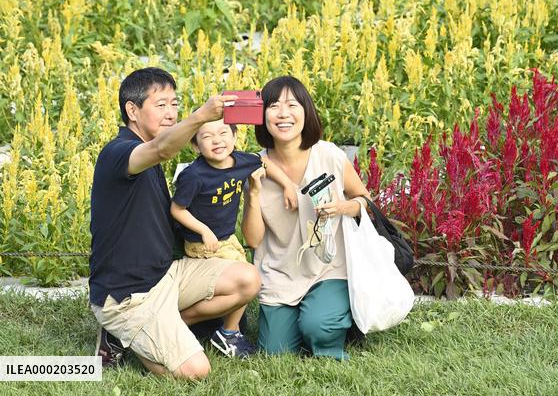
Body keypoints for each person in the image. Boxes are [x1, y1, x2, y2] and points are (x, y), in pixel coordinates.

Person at [89, 67, 261, 378]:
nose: (171, 113)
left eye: (175, 103)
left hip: (166, 276)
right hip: (129, 295)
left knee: (248, 278)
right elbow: (161, 149)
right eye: (161, 104)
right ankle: (125, 334)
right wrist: (200, 117)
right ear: (132, 110)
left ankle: (141, 333)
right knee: (196, 371)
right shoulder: (119, 152)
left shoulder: (150, 148)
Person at [242, 75, 370, 360]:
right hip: (280, 272)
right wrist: (252, 194)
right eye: (274, 106)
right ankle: (313, 316)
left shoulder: (329, 155)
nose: (283, 113)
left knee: (319, 330)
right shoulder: (255, 167)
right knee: (275, 351)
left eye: (292, 105)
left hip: (329, 268)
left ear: (306, 111)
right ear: (263, 116)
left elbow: (366, 201)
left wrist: (342, 207)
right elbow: (252, 240)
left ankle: (332, 320)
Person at [169, 117, 297, 353]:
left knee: (243, 279)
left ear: (235, 136)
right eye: (207, 137)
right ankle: (228, 332)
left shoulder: (242, 162)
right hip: (202, 242)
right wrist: (203, 230)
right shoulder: (194, 175)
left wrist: (287, 185)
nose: (217, 141)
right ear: (195, 145)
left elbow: (265, 162)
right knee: (247, 278)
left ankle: (223, 328)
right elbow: (177, 209)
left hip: (226, 238)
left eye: (223, 133)